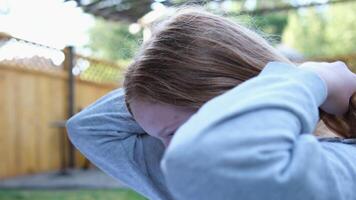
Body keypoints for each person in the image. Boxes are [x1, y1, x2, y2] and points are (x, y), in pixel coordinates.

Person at [65, 8, 356, 200]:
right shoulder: (182, 172)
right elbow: (88, 127)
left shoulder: (340, 164)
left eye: (179, 132)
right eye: (158, 136)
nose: (168, 155)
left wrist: (311, 77)